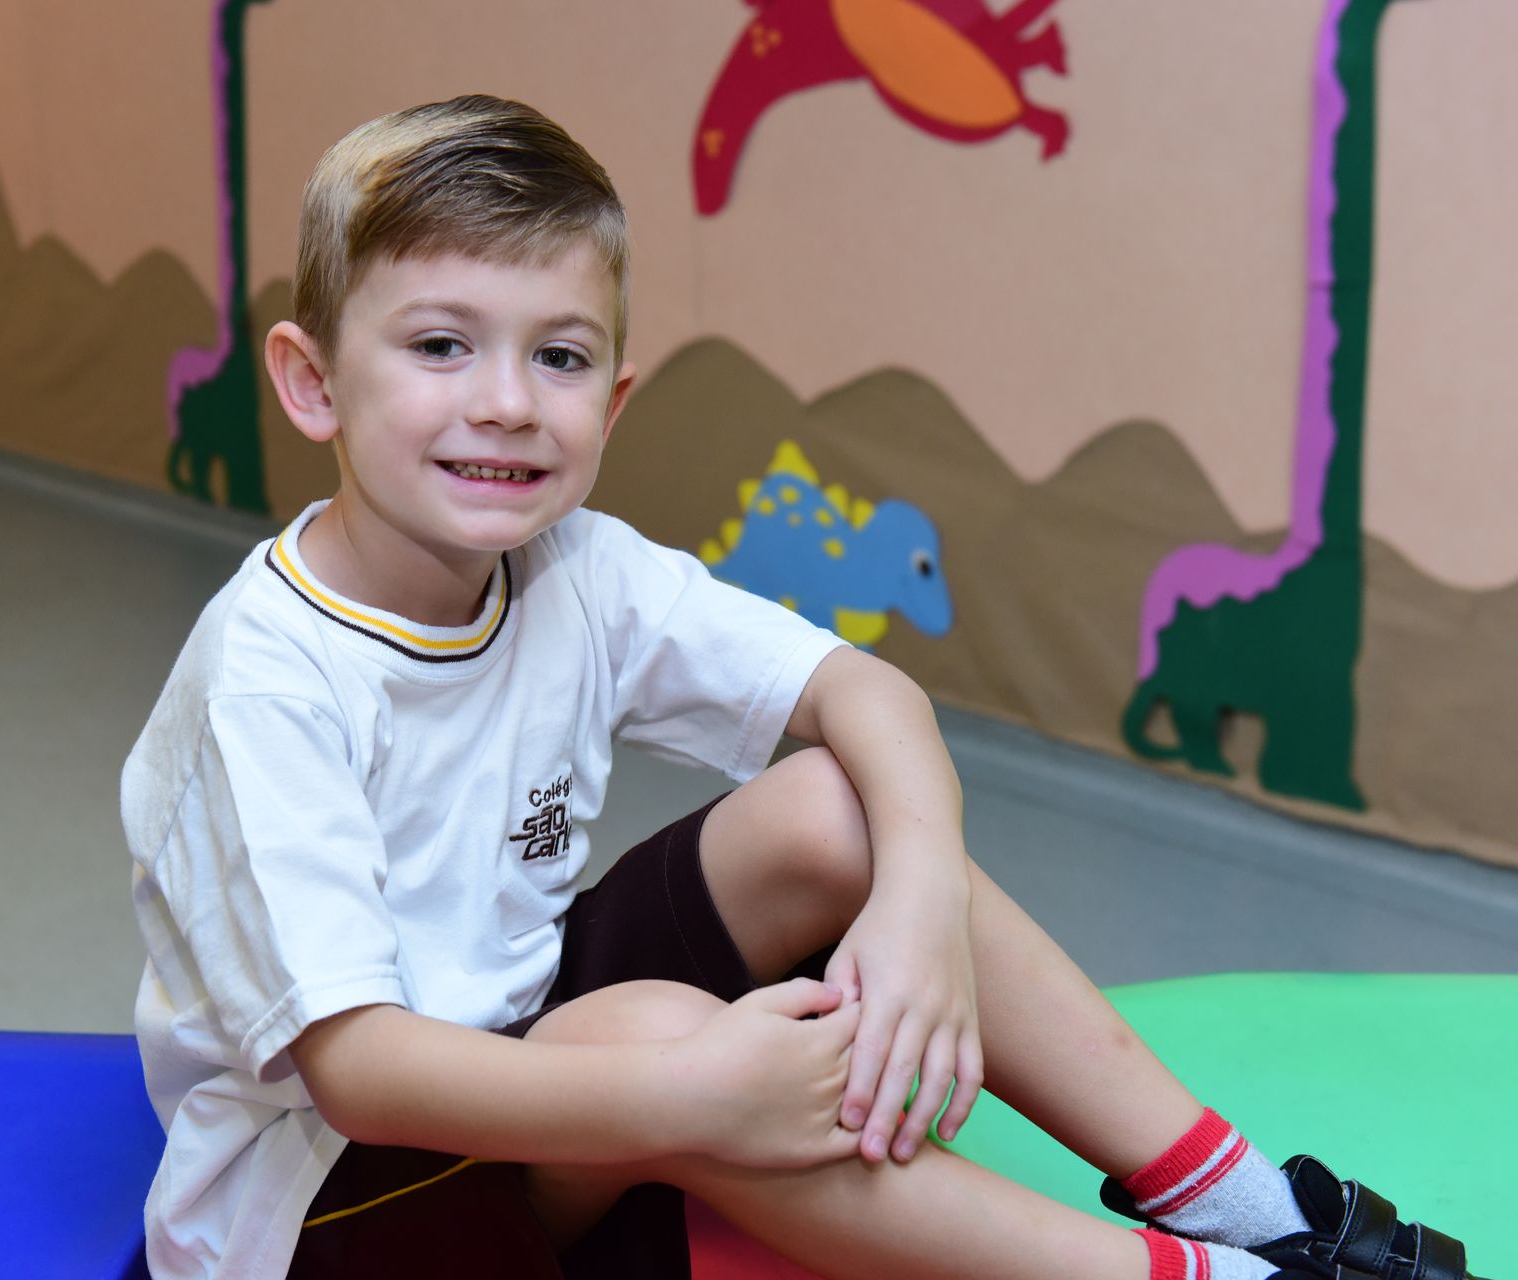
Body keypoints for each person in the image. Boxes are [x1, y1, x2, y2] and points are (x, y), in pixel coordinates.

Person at [121, 95, 1485, 1280]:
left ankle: (1242, 1205)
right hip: (328, 1202)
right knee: (657, 1029)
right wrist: (696, 1090)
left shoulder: (576, 565)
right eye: (439, 346)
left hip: (526, 1054)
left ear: (614, 398)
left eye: (559, 356)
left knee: (840, 810)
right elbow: (363, 1073)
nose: (508, 403)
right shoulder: (270, 684)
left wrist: (918, 910)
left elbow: (867, 694)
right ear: (312, 383)